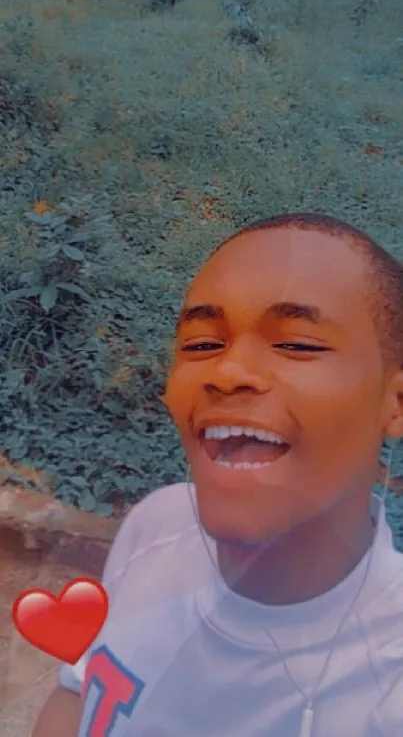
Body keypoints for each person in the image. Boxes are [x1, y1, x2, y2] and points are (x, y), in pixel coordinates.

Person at [32, 212, 403, 737]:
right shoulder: (157, 523)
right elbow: (77, 695)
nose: (226, 372)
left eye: (297, 344)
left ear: (396, 402)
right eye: (202, 345)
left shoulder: (388, 686)